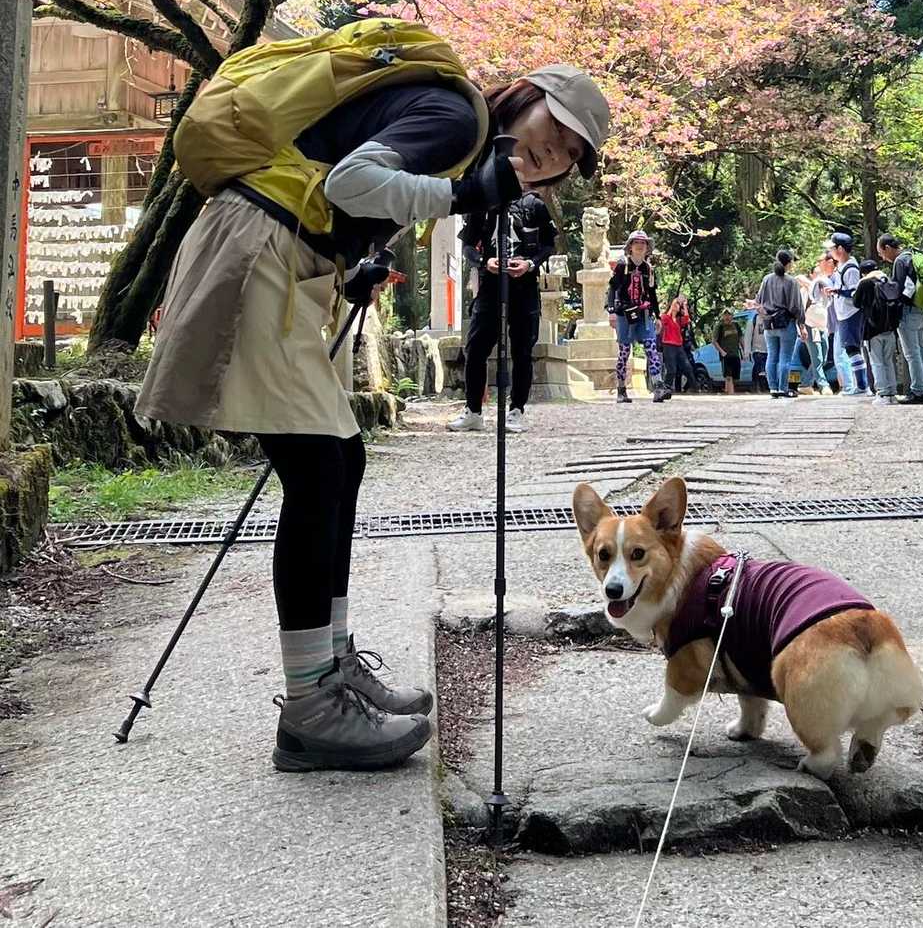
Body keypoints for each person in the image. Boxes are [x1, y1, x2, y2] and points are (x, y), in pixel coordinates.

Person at [137, 55, 609, 772]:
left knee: (342, 460)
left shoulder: (464, 135)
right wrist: (462, 194)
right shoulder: (458, 117)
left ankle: (329, 664)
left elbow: (346, 179)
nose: (556, 152)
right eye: (557, 127)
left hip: (285, 251)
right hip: (261, 249)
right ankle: (311, 705)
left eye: (573, 152)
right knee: (316, 472)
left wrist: (359, 257)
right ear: (526, 97)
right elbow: (348, 181)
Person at [450, 188, 556, 434]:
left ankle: (516, 410)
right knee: (476, 347)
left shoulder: (534, 205)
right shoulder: (482, 203)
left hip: (525, 287)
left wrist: (530, 263)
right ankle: (473, 410)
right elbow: (468, 244)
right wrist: (483, 262)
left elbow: (548, 244)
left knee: (522, 350)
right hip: (490, 285)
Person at [608, 231, 664, 403]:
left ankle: (658, 386)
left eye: (643, 243)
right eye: (636, 242)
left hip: (644, 314)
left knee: (651, 348)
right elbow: (612, 288)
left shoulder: (649, 269)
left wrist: (658, 316)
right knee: (624, 351)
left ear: (647, 247)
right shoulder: (622, 266)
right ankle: (621, 389)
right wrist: (611, 311)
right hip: (624, 314)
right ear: (630, 246)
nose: (640, 246)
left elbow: (652, 294)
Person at [876, 233, 923, 405]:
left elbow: (902, 289)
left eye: (882, 253)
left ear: (887, 247)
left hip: (908, 312)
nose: (883, 258)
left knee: (912, 354)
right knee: (922, 353)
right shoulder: (912, 256)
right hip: (921, 310)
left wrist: (896, 304)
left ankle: (917, 391)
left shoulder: (900, 261)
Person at [754, 248, 806, 399]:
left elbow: (758, 300)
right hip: (786, 323)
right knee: (785, 357)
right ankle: (783, 388)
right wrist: (802, 325)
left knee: (772, 356)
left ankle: (773, 388)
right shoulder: (791, 282)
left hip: (769, 324)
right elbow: (796, 306)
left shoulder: (766, 279)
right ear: (789, 263)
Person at [852, 258, 900, 404]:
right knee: (888, 361)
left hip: (872, 330)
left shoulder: (865, 283)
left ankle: (883, 393)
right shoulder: (887, 280)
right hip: (890, 329)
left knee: (877, 362)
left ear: (863, 272)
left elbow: (856, 303)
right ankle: (892, 393)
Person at [827, 233, 869, 395]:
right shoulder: (842, 266)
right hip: (843, 314)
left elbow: (854, 293)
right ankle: (860, 385)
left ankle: (862, 386)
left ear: (840, 249)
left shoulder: (851, 268)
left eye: (832, 248)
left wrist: (837, 291)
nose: (830, 252)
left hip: (851, 314)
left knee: (853, 349)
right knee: (851, 349)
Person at [798, 252, 833, 396]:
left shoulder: (825, 289)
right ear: (811, 275)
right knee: (817, 356)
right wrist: (801, 328)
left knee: (823, 357)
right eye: (816, 274)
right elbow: (800, 311)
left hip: (823, 326)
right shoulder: (805, 290)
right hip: (810, 325)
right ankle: (823, 385)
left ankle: (805, 384)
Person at [659, 294, 698, 396]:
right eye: (675, 304)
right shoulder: (666, 317)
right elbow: (663, 319)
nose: (677, 306)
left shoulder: (678, 320)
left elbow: (687, 318)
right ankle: (666, 389)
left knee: (687, 367)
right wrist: (673, 304)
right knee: (672, 369)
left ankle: (695, 388)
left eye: (678, 305)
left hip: (679, 346)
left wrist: (684, 305)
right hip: (668, 345)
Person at [714, 308, 743, 395]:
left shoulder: (736, 325)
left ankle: (727, 391)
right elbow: (714, 341)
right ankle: (731, 393)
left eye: (729, 315)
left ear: (732, 316)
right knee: (728, 375)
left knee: (734, 376)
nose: (727, 317)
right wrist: (722, 351)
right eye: (725, 315)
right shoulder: (720, 326)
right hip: (726, 354)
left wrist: (745, 350)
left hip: (735, 353)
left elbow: (741, 338)